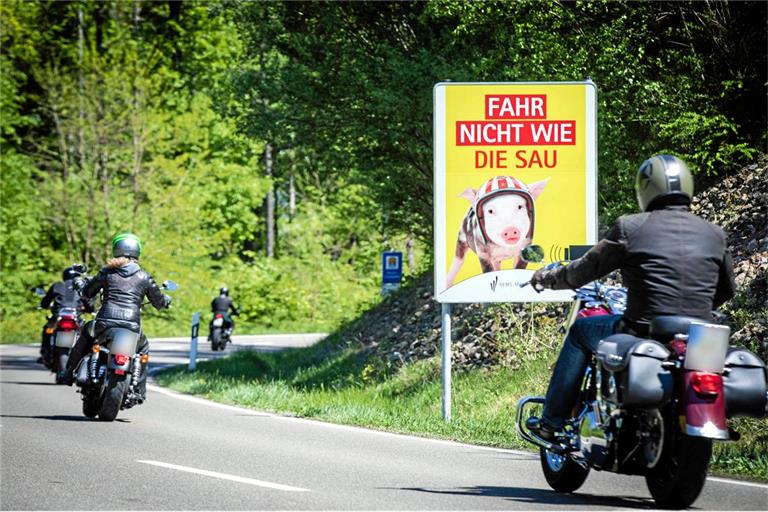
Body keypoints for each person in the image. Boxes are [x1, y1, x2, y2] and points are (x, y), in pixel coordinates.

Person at [526, 154, 736, 440]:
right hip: (701, 334)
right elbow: (726, 290)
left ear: (646, 189)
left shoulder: (631, 227)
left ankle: (552, 421)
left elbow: (582, 272)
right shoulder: (715, 234)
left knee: (580, 332)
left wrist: (547, 278)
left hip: (642, 329)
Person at [64, 233, 170, 400]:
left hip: (104, 323)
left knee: (86, 333)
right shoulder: (144, 277)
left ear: (116, 249)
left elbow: (87, 292)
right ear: (137, 252)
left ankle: (68, 372)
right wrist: (165, 300)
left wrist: (80, 283)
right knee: (142, 350)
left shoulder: (107, 273)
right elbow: (158, 303)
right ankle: (139, 392)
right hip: (131, 326)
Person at [38, 265, 92, 364]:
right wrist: (90, 309)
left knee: (47, 330)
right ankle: (86, 358)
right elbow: (88, 302)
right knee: (86, 334)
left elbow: (46, 301)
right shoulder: (81, 286)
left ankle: (45, 353)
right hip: (75, 317)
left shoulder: (57, 285)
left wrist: (44, 305)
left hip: (59, 317)